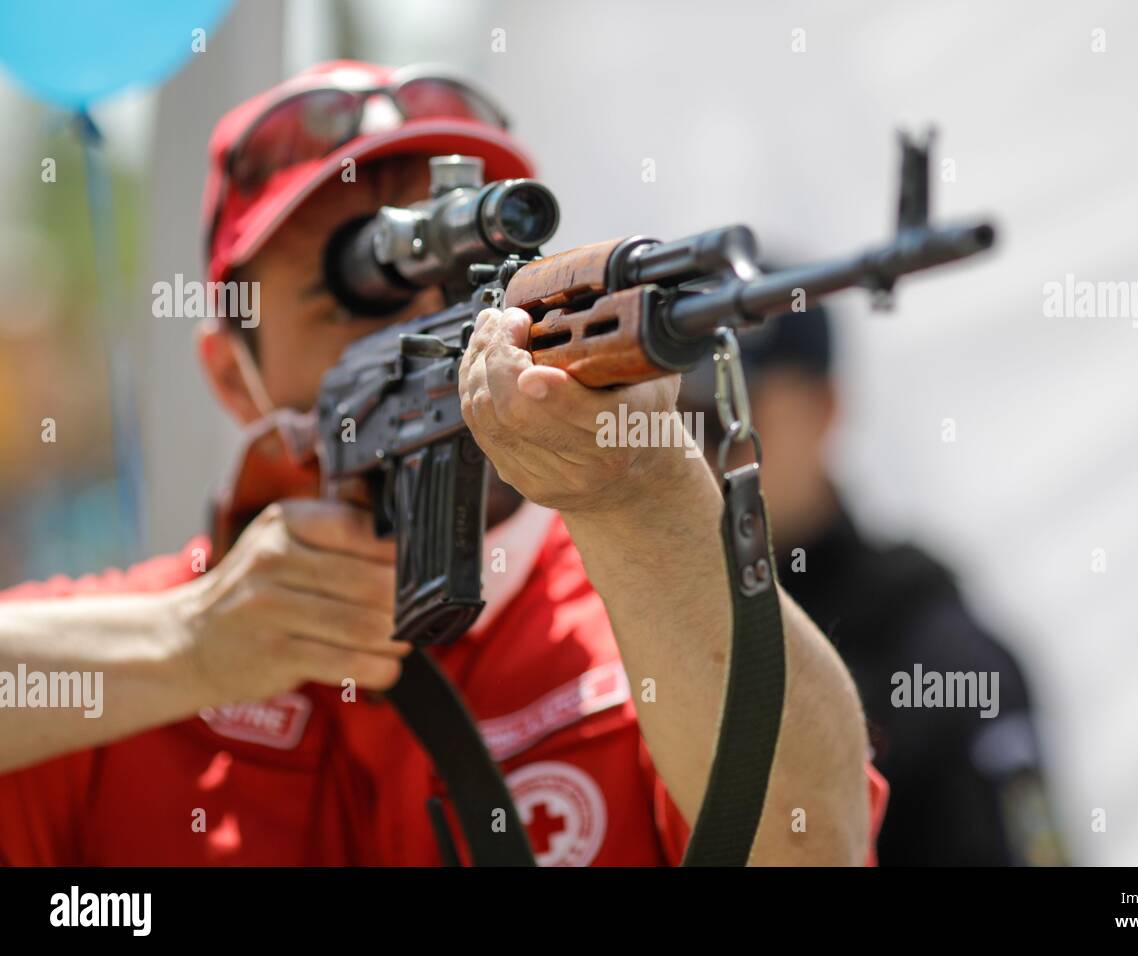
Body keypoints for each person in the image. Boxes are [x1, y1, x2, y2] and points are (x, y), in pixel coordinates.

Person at [0, 61, 884, 867]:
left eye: (463, 282)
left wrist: (645, 496)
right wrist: (192, 647)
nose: (426, 315)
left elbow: (817, 845)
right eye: (351, 299)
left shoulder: (635, 624)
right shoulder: (124, 665)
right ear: (235, 375)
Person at [679, 303, 1065, 865]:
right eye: (677, 426)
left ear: (825, 410)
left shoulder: (934, 649)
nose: (698, 458)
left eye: (723, 422)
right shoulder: (623, 616)